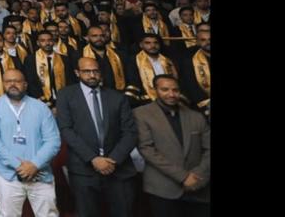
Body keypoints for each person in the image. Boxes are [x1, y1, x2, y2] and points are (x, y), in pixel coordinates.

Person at [55, 58, 139, 217]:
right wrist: (93, 159)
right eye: (87, 71)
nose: (92, 75)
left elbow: (130, 132)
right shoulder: (66, 95)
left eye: (95, 71)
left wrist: (113, 160)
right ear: (77, 73)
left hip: (118, 170)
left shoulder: (117, 97)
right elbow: (66, 130)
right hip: (83, 170)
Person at [0, 69, 62, 217]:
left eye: (17, 81)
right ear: (3, 84)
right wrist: (19, 166)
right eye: (8, 81)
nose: (12, 84)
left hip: (40, 174)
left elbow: (53, 141)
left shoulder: (40, 108)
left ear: (25, 84)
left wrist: (34, 165)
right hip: (7, 176)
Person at [133, 75, 211, 217]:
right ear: (155, 90)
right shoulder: (141, 114)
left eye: (175, 90)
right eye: (165, 89)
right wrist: (183, 176)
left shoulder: (196, 116)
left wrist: (199, 174)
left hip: (198, 186)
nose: (171, 94)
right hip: (162, 189)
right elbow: (147, 149)